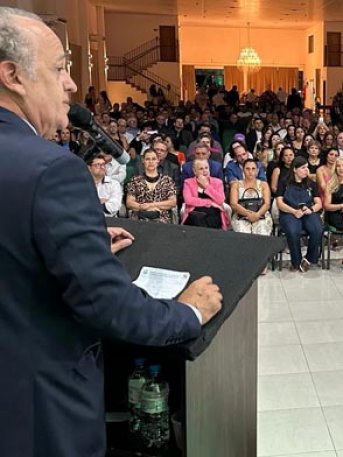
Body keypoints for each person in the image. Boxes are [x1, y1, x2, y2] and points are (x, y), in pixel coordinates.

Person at [0, 8, 222, 457]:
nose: (71, 84)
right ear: (13, 76)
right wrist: (188, 313)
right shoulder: (52, 170)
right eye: (59, 69)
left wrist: (73, 246)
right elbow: (111, 307)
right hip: (37, 413)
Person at [276, 157, 324, 272]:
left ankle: (309, 258)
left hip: (307, 211)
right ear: (294, 169)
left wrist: (311, 209)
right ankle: (296, 262)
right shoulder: (283, 182)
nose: (306, 170)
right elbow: (279, 203)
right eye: (303, 168)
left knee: (317, 229)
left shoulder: (311, 184)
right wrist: (293, 211)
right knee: (293, 231)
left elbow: (319, 203)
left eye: (307, 167)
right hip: (289, 212)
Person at [125, 149, 178, 223]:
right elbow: (129, 202)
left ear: (158, 160)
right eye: (147, 159)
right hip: (140, 217)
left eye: (153, 159)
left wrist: (151, 205)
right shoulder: (135, 180)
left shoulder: (167, 180)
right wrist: (143, 207)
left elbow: (172, 202)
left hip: (161, 219)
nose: (151, 162)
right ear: (143, 160)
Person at [182, 159, 230, 230]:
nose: (205, 171)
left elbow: (220, 200)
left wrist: (206, 186)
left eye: (206, 168)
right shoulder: (188, 182)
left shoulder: (218, 182)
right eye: (201, 169)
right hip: (195, 212)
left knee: (210, 220)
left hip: (213, 213)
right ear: (195, 171)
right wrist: (210, 202)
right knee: (197, 219)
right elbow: (188, 200)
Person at [230, 159, 273, 236]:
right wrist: (248, 214)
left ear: (257, 171)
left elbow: (267, 204)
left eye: (253, 169)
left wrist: (257, 215)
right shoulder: (236, 185)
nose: (250, 171)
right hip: (241, 215)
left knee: (262, 230)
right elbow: (233, 204)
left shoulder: (264, 184)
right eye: (247, 169)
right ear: (243, 170)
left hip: (261, 214)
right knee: (242, 231)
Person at [87, 153, 123, 217]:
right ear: (89, 168)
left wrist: (91, 205)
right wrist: (102, 202)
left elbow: (115, 205)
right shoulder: (82, 184)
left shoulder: (114, 184)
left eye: (103, 164)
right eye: (98, 165)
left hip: (108, 220)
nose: (102, 167)